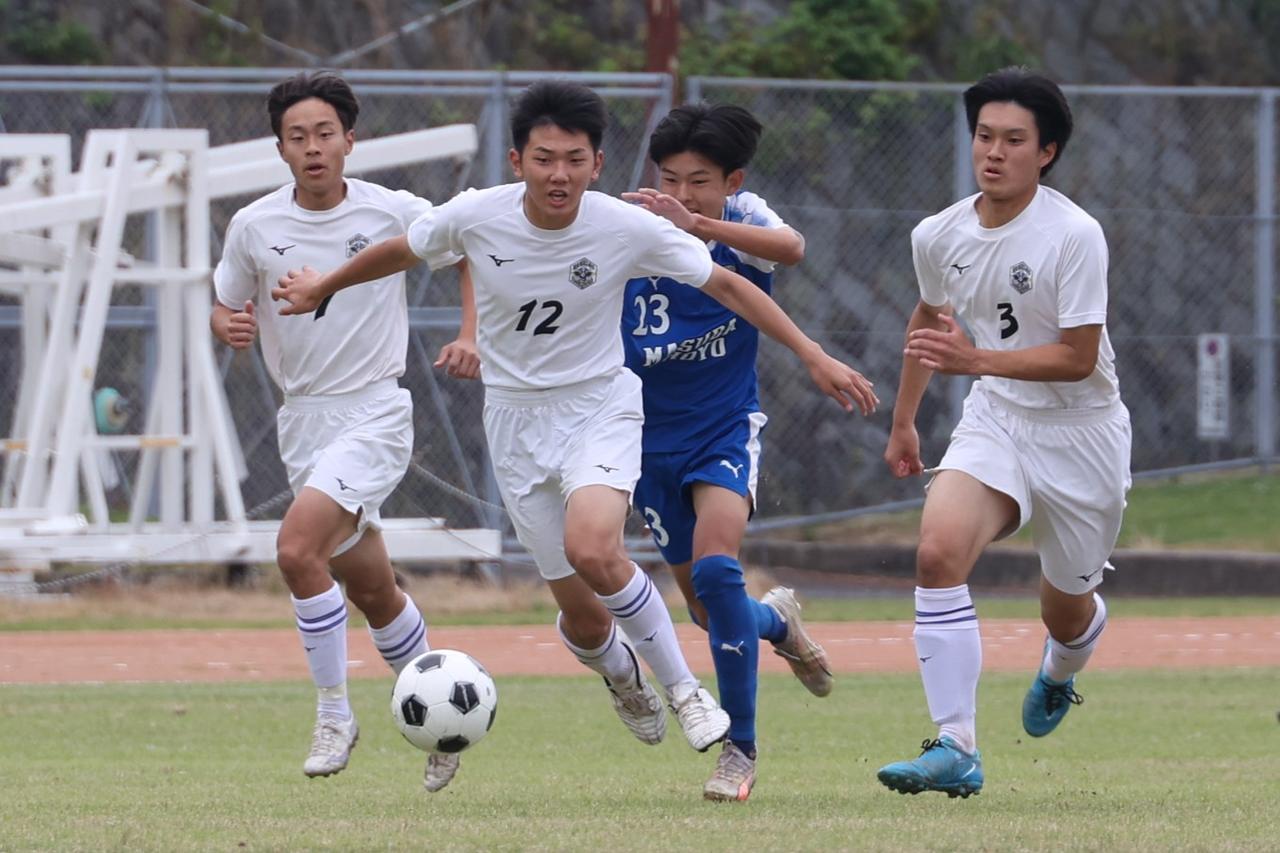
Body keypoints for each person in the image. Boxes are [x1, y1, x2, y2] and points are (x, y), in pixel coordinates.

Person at [270, 81, 877, 786]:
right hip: (516, 419)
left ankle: (687, 693)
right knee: (584, 617)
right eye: (544, 158)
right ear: (517, 158)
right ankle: (625, 678)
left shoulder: (628, 224)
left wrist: (813, 353)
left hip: (601, 406)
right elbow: (401, 251)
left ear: (597, 164)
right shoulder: (476, 215)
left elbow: (732, 286)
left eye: (574, 160)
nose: (558, 174)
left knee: (596, 546)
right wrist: (325, 287)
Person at [211, 70, 478, 793]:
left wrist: (470, 332)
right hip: (302, 419)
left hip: (374, 410)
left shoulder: (394, 209)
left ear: (349, 141)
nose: (313, 148)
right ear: (280, 149)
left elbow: (467, 245)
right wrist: (229, 323)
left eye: (325, 134)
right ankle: (448, 716)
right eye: (298, 137)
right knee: (374, 589)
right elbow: (225, 300)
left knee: (297, 552)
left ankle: (335, 711)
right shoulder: (253, 225)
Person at [876, 67, 1131, 798]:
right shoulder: (938, 233)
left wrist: (974, 357)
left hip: (1083, 433)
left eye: (1014, 140)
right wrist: (904, 422)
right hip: (998, 417)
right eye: (985, 135)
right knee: (936, 551)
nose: (993, 152)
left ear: (1045, 152)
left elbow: (1079, 358)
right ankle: (955, 743)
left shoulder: (1074, 234)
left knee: (1067, 608)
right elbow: (929, 322)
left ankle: (1061, 665)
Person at [618, 103, 864, 802]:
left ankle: (739, 750)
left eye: (699, 179)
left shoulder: (739, 219)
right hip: (641, 442)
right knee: (708, 609)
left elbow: (791, 247)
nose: (682, 192)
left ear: (732, 181)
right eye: (671, 178)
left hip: (723, 426)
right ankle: (778, 622)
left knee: (721, 571)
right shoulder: (629, 222)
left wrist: (698, 225)